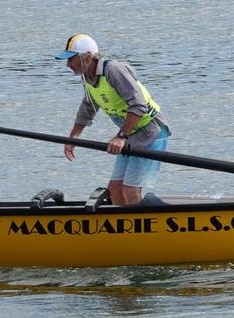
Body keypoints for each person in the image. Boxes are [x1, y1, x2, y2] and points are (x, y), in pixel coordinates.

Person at [55, 33, 172, 206]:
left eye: (71, 59)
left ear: (87, 56)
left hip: (151, 132)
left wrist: (121, 137)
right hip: (130, 133)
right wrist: (73, 137)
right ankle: (125, 230)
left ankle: (140, 230)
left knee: (130, 190)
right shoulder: (87, 77)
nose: (68, 64)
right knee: (115, 189)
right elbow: (88, 106)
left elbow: (139, 106)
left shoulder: (113, 70)